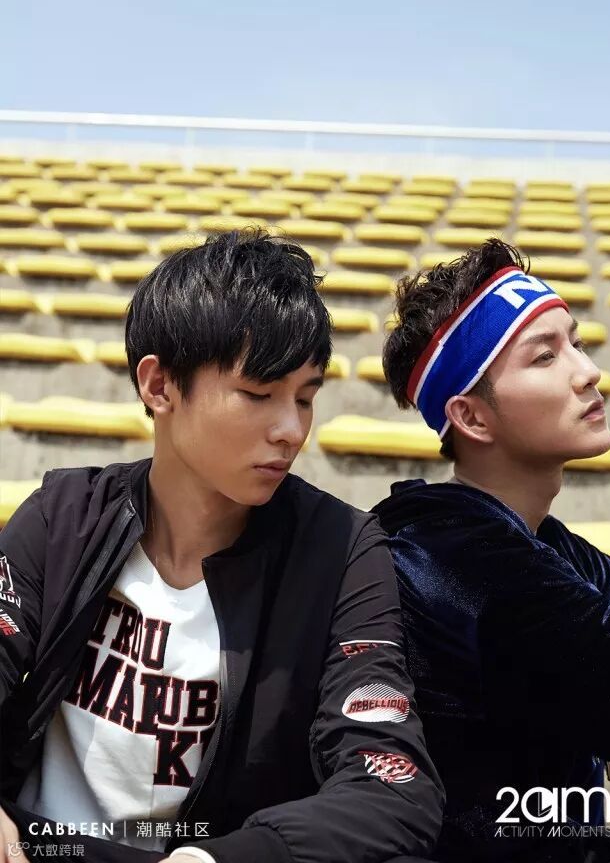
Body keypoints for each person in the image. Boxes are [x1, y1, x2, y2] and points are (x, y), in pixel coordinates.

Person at [0, 230, 444, 863]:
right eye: (258, 394)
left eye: (306, 398)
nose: (291, 430)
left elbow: (392, 784)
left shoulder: (343, 551)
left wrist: (220, 859)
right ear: (159, 386)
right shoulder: (63, 516)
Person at [373, 238, 610, 863]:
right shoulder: (441, 555)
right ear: (472, 418)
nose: (587, 371)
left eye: (575, 343)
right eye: (545, 356)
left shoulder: (546, 542)